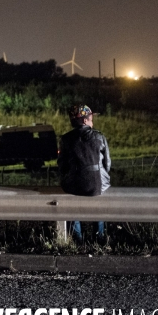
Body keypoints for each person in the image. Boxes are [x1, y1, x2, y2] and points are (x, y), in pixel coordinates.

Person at [57, 104, 111, 243]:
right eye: (91, 118)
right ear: (85, 121)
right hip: (97, 185)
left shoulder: (66, 139)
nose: (92, 121)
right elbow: (107, 164)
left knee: (73, 207)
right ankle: (99, 239)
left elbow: (62, 165)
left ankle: (77, 240)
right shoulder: (99, 137)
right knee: (98, 206)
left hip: (74, 186)